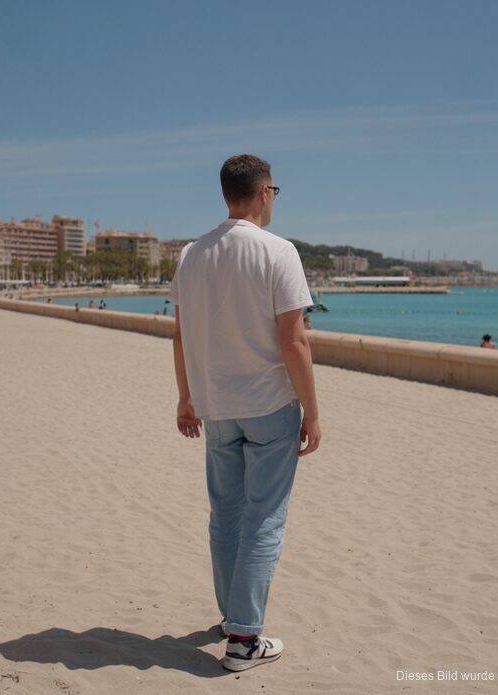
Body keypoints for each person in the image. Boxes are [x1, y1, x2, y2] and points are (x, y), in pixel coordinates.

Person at [170, 154, 320, 673]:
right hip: (268, 406)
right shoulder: (279, 251)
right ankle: (243, 638)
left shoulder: (191, 254)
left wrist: (186, 397)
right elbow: (293, 343)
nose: (275, 199)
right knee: (263, 519)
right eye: (275, 191)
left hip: (216, 407)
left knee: (226, 515)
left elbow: (181, 335)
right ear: (263, 193)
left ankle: (230, 616)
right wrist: (314, 413)